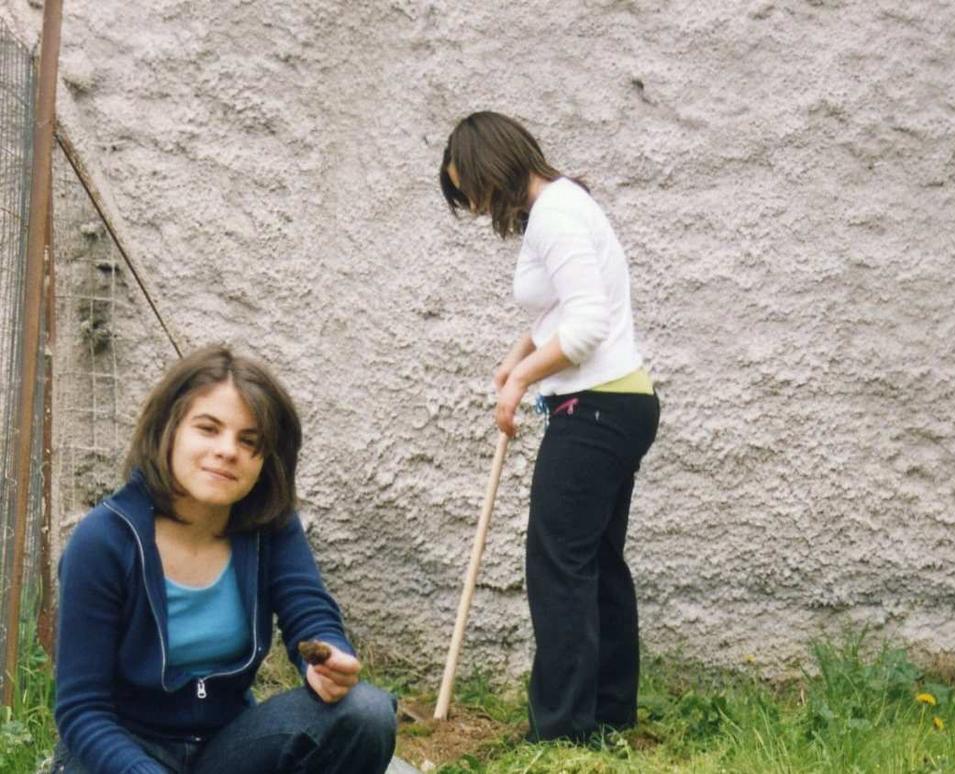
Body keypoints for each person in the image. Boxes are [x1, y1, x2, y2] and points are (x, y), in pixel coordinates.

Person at [52, 346, 397, 773]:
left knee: (365, 711)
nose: (227, 451)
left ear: (265, 459)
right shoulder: (103, 540)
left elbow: (309, 613)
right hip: (118, 753)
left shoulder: (269, 526)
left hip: (225, 746)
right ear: (169, 430)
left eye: (249, 441)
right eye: (208, 429)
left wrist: (329, 657)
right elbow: (80, 710)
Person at [439, 111, 660, 742]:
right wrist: (519, 354)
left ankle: (563, 729)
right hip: (620, 402)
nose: (478, 207)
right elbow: (566, 309)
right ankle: (608, 714)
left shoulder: (557, 214)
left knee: (558, 563)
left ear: (492, 166)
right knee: (594, 561)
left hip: (595, 406)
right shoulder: (565, 205)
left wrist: (521, 379)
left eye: (474, 190)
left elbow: (587, 327)